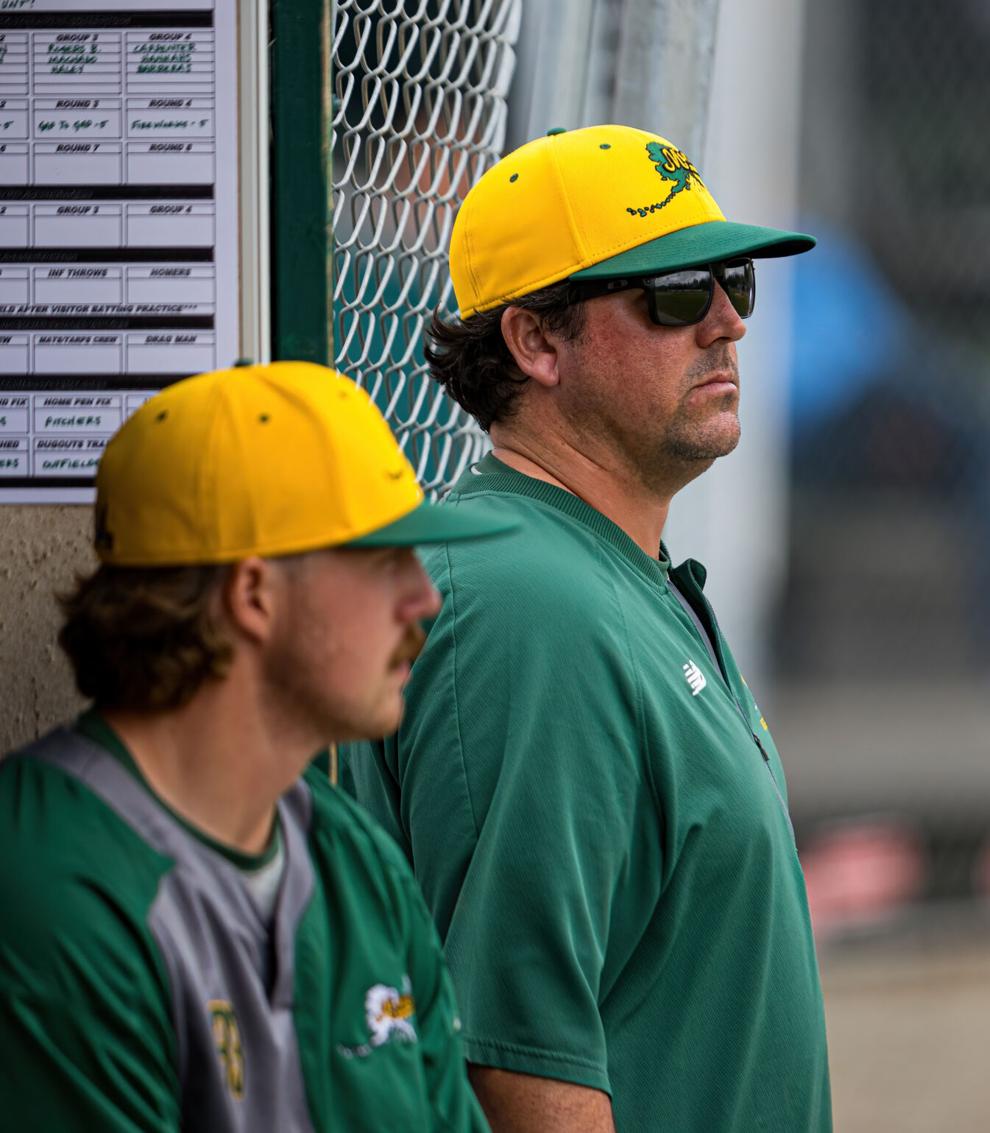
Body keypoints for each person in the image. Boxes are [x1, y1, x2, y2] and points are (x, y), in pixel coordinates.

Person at [341, 125, 832, 1131]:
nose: (727, 322)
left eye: (734, 281)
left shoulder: (601, 569)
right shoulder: (526, 603)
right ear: (535, 341)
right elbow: (515, 1057)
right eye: (675, 293)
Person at [0, 361, 511, 1132]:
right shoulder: (44, 882)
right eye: (384, 561)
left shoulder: (355, 863)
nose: (425, 598)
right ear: (253, 594)